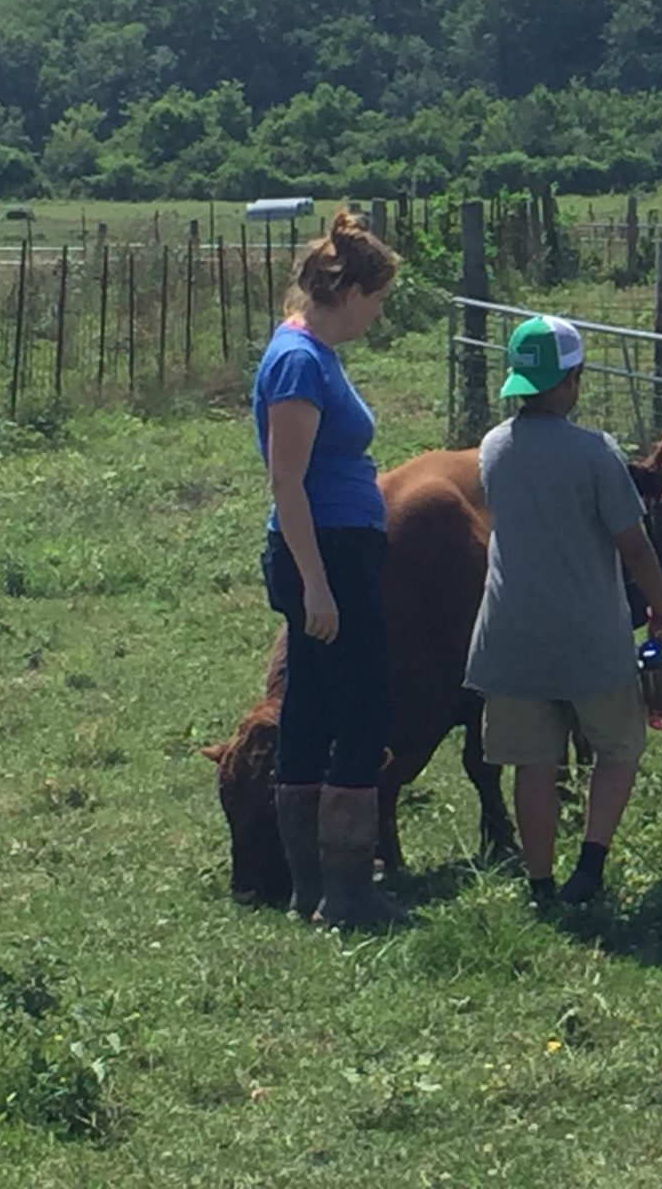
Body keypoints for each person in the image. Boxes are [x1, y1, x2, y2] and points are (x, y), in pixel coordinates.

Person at [464, 315, 662, 906]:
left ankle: (539, 882)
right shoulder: (596, 453)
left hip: (510, 634)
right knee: (618, 748)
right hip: (589, 633)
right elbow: (632, 543)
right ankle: (589, 866)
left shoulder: (492, 447)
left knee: (533, 764)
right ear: (570, 381)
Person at [251, 208, 406, 930]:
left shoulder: (309, 354)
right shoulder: (297, 363)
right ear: (351, 291)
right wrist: (316, 581)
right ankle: (347, 893)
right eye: (378, 299)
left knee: (311, 707)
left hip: (333, 547)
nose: (379, 314)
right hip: (327, 552)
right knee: (363, 708)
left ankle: (310, 889)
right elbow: (288, 481)